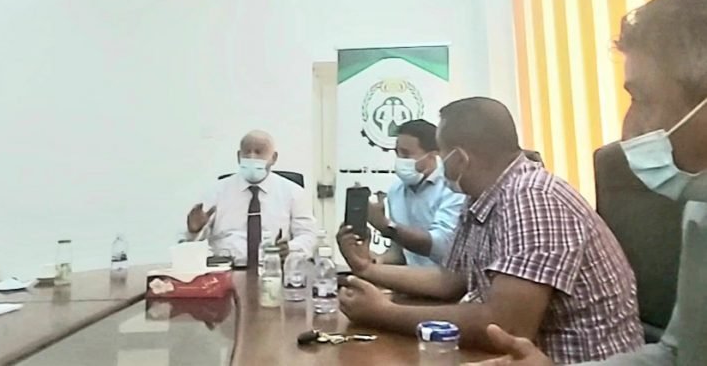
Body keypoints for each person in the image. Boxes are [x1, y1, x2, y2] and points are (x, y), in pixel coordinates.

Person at [468, 0, 707, 366]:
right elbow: (680, 354)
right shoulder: (700, 207)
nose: (629, 130)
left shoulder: (532, 196)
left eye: (643, 99)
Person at [336, 98, 643, 364]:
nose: (440, 165)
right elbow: (451, 280)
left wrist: (384, 313)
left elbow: (506, 326)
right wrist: (367, 269)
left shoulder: (531, 199)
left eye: (442, 153)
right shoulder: (480, 198)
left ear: (461, 158)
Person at [185, 130, 317, 268]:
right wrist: (194, 230)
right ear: (238, 156)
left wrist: (290, 248)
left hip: (275, 269)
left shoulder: (293, 192)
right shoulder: (217, 191)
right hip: (227, 269)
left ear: (273, 158)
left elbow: (309, 235)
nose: (252, 157)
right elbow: (190, 244)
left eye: (259, 152)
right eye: (247, 152)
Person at [366, 119, 464, 266]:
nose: (400, 160)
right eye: (397, 153)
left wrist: (386, 226)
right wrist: (377, 260)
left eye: (406, 154)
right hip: (410, 277)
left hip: (445, 278)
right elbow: (400, 252)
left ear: (432, 156)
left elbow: (441, 245)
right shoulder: (396, 191)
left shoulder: (452, 189)